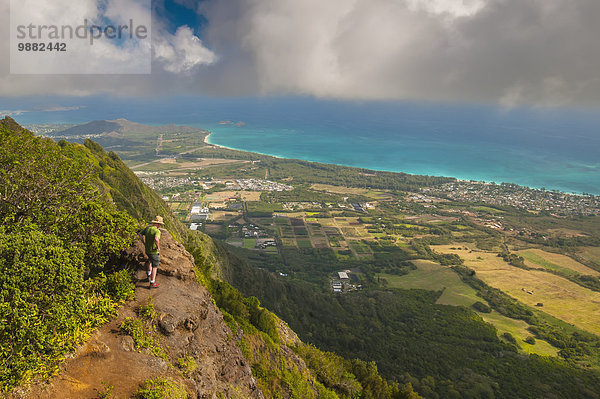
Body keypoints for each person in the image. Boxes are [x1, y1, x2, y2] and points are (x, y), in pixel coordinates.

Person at [139, 216, 164, 288]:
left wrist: (143, 242)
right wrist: (158, 246)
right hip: (153, 251)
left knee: (149, 261)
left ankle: (149, 275)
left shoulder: (148, 228)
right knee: (155, 266)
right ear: (158, 224)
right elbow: (156, 239)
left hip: (147, 250)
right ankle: (152, 282)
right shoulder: (157, 231)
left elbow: (140, 234)